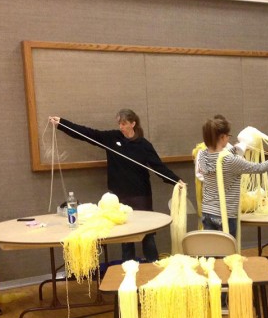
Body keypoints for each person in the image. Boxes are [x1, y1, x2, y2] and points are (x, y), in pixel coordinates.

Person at [49, 110, 182, 262]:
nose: (121, 127)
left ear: (133, 124)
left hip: (141, 195)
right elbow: (87, 134)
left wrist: (177, 181)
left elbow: (159, 168)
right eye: (119, 123)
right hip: (119, 196)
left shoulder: (144, 145)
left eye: (124, 123)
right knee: (125, 236)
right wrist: (61, 123)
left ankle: (154, 266)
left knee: (147, 234)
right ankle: (128, 269)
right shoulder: (112, 138)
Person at [198, 117, 268, 237]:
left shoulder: (202, 155)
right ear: (222, 137)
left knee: (212, 251)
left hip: (207, 212)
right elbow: (260, 168)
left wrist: (236, 149)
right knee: (227, 253)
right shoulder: (229, 160)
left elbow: (220, 157)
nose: (229, 138)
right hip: (225, 215)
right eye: (228, 135)